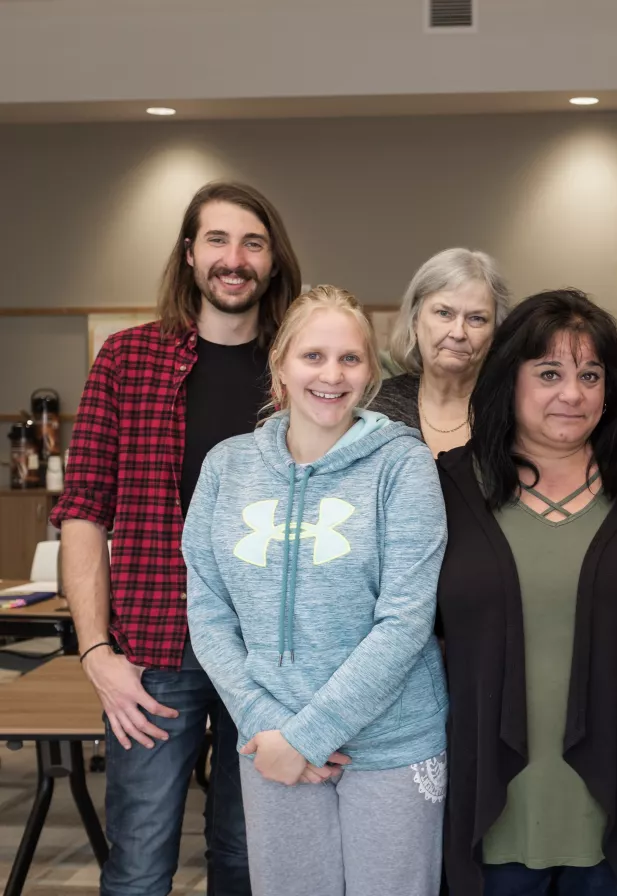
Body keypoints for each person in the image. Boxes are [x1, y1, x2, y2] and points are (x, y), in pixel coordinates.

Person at [51, 181, 302, 895]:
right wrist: (98, 652)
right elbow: (82, 514)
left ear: (274, 260)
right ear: (189, 255)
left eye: (253, 243)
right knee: (138, 864)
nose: (235, 258)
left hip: (269, 654)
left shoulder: (299, 373)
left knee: (251, 860)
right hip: (157, 651)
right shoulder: (127, 362)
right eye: (217, 240)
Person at [182, 286, 448, 895]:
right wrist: (267, 726)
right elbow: (209, 608)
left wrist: (306, 736)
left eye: (350, 359)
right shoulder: (227, 467)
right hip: (270, 736)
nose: (332, 375)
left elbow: (406, 620)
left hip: (391, 743)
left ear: (372, 373)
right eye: (313, 356)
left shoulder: (403, 466)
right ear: (279, 364)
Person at [436, 289, 617, 895]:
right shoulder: (448, 491)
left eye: (590, 374)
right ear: (511, 379)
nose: (573, 394)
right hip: (491, 809)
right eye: (549, 373)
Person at [371, 247, 511, 456]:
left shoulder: (512, 410)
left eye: (476, 318)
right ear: (416, 320)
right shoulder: (377, 407)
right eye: (444, 313)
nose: (458, 333)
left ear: (494, 332)